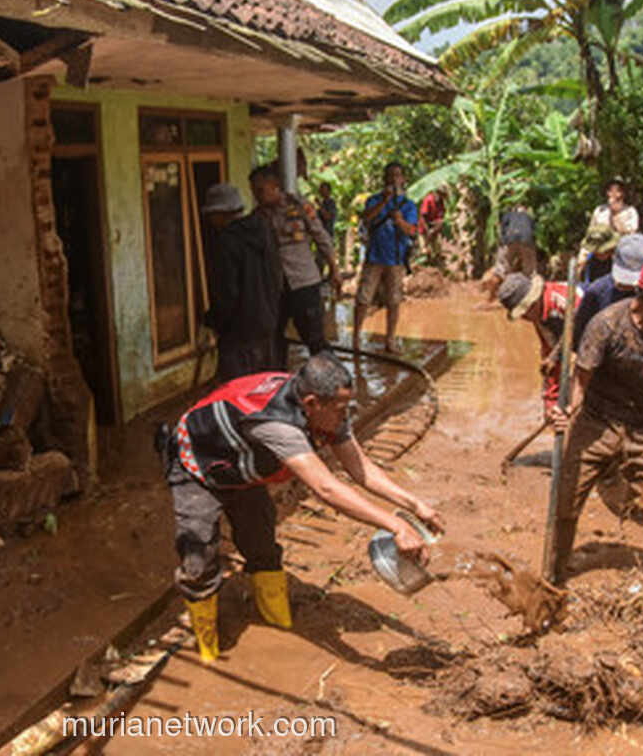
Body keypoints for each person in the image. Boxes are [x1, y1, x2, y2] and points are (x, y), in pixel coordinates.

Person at [162, 352, 445, 663]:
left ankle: (276, 616)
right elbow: (325, 488)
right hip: (198, 465)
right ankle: (208, 644)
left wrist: (414, 504)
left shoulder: (324, 410)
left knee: (261, 541)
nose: (345, 416)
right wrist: (396, 526)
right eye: (340, 409)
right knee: (198, 554)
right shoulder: (277, 426)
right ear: (311, 404)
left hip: (242, 467)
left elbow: (359, 467)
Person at [546, 247, 643, 586]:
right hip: (596, 422)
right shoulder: (607, 325)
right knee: (565, 502)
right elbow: (580, 384)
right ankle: (553, 577)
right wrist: (564, 412)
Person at [248, 166, 341, 363]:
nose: (256, 195)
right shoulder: (257, 216)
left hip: (304, 282)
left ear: (275, 187)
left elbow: (321, 237)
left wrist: (335, 269)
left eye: (260, 190)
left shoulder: (300, 206)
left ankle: (332, 380)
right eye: (253, 191)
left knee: (314, 338)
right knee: (274, 337)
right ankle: (277, 382)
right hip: (275, 287)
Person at [200, 183, 284, 382]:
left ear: (222, 213)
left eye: (212, 214)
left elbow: (226, 294)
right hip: (266, 325)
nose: (211, 220)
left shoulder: (226, 242)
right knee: (263, 388)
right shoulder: (264, 230)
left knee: (238, 393)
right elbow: (277, 276)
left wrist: (212, 322)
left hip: (239, 335)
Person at [354, 162, 417, 353]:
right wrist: (383, 201)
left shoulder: (408, 205)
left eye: (397, 176)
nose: (393, 180)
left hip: (396, 259)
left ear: (403, 179)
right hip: (374, 257)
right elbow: (366, 218)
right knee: (363, 298)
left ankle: (390, 339)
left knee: (394, 300)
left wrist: (399, 221)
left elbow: (412, 230)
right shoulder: (373, 200)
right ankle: (356, 338)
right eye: (389, 176)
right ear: (384, 179)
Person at [497, 272, 579, 416]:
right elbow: (552, 360)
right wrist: (550, 404)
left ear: (533, 301)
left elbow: (586, 329)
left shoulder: (562, 299)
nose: (524, 318)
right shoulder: (539, 317)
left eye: (524, 312)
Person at [496, 204, 538, 278]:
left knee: (505, 260)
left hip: (510, 239)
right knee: (529, 262)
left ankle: (502, 277)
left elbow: (502, 230)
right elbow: (533, 230)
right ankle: (529, 278)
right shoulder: (528, 217)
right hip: (526, 240)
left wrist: (502, 243)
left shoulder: (508, 215)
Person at [315, 182, 338, 281]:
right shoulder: (324, 203)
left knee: (327, 258)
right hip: (320, 234)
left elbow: (328, 217)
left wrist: (320, 206)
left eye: (323, 189)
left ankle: (332, 279)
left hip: (327, 234)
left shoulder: (330, 203)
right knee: (320, 259)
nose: (320, 191)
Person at [418, 187, 447, 266]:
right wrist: (428, 231)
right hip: (424, 228)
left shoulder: (441, 203)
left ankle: (437, 267)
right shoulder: (428, 200)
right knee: (425, 251)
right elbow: (423, 216)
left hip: (434, 228)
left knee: (437, 250)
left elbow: (441, 218)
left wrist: (435, 229)